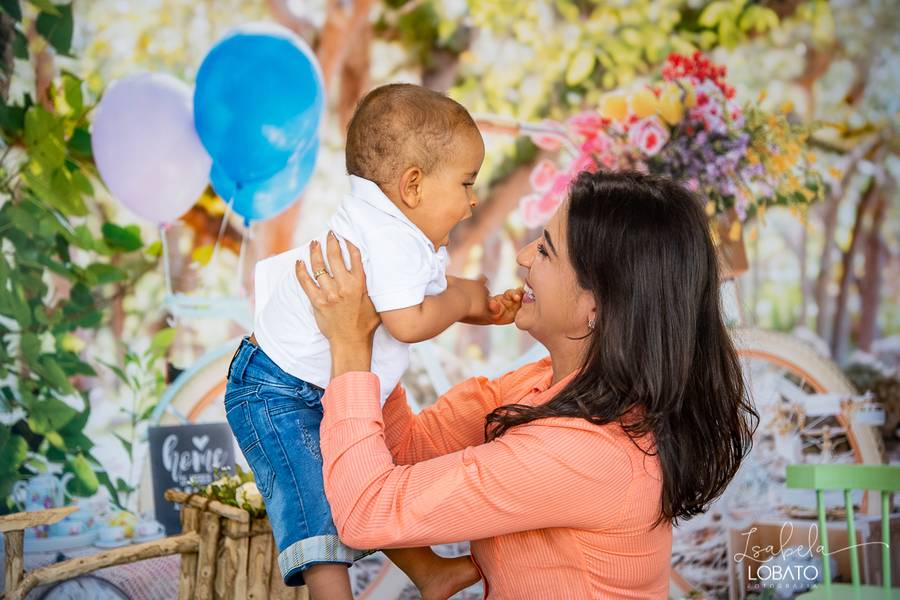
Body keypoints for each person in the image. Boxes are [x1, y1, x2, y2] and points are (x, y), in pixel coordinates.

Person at [295, 170, 759, 598]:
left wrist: (351, 347)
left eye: (545, 250)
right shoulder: (548, 383)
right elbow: (409, 448)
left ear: (595, 307)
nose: (522, 256)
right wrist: (376, 331)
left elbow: (365, 513)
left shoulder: (586, 452)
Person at [224, 84, 522, 599]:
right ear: (413, 185)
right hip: (274, 389)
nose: (473, 203)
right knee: (315, 505)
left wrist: (480, 304)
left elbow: (426, 294)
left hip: (314, 383)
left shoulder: (398, 227)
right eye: (467, 184)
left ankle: (428, 571)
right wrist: (465, 300)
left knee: (361, 479)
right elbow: (408, 322)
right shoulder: (389, 236)